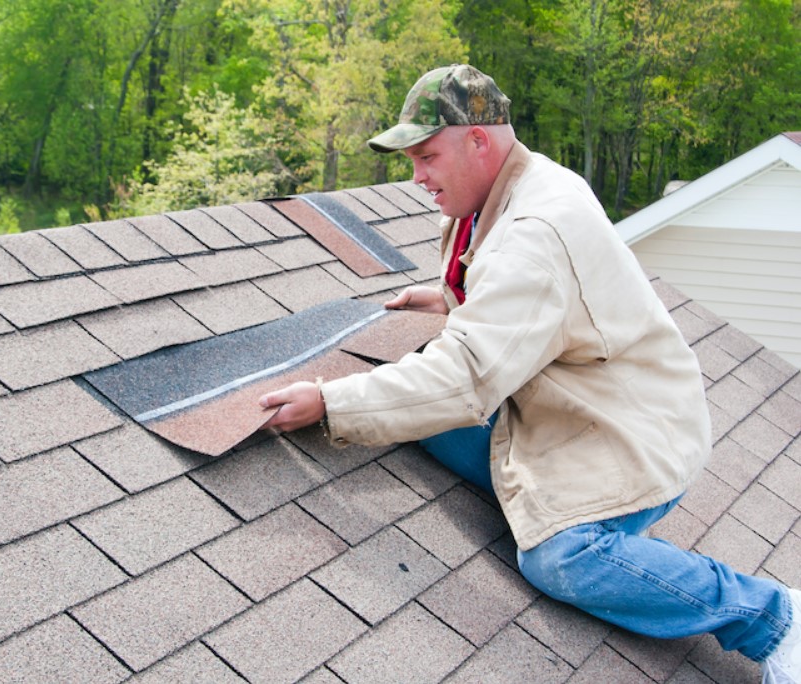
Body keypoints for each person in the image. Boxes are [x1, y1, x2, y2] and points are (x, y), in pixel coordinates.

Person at [258, 64, 800, 682]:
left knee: (559, 556)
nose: (418, 178)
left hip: (628, 432)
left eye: (428, 156)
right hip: (564, 396)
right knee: (410, 409)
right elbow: (530, 302)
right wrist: (453, 298)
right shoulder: (510, 189)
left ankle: (773, 619)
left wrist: (331, 402)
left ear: (479, 140)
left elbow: (465, 377)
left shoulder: (534, 230)